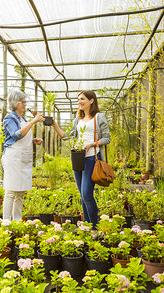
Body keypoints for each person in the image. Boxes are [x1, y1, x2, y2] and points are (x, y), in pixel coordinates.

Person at [51, 90, 111, 227]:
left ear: (91, 101)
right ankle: (86, 226)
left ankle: (94, 226)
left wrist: (92, 144)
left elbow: (107, 138)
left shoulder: (99, 117)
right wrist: (54, 124)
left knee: (86, 194)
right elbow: (67, 136)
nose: (79, 102)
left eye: (82, 99)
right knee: (82, 195)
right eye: (78, 99)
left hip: (91, 158)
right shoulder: (77, 119)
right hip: (77, 158)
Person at [2, 89, 44, 221]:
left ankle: (17, 221)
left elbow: (22, 137)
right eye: (23, 102)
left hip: (22, 158)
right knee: (10, 191)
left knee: (20, 192)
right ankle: (6, 222)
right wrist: (33, 122)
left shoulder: (22, 118)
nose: (25, 104)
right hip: (13, 158)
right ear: (16, 103)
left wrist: (32, 141)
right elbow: (16, 135)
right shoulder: (10, 118)